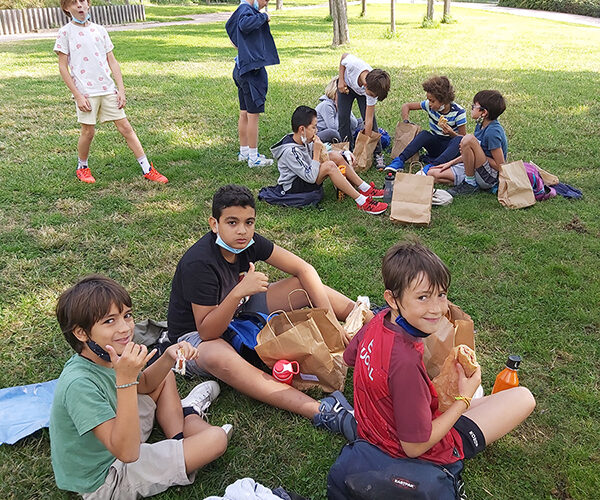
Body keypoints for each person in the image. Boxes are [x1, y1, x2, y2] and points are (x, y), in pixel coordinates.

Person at [328, 242, 536, 499]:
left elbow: (350, 357)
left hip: (374, 428)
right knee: (522, 397)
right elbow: (414, 447)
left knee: (479, 399)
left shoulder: (377, 321)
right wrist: (464, 398)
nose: (437, 308)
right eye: (423, 297)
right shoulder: (405, 362)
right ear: (392, 299)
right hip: (414, 450)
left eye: (441, 294)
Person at [167, 184, 359, 441]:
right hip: (195, 338)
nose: (242, 230)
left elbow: (304, 269)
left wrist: (331, 322)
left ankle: (370, 320)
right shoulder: (199, 263)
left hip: (239, 312)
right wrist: (238, 292)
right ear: (214, 224)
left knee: (300, 285)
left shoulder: (249, 242)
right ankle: (321, 411)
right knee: (218, 356)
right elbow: (207, 331)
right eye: (232, 222)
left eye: (249, 222)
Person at [50, 275, 230, 498]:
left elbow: (143, 385)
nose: (125, 328)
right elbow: (127, 453)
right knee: (216, 439)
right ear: (81, 333)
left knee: (164, 376)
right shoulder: (79, 384)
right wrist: (125, 379)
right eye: (109, 321)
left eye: (127, 315)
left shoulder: (107, 353)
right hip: (106, 477)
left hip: (120, 435)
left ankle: (177, 438)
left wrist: (168, 357)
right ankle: (189, 416)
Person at [54, 0, 168, 184]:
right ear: (66, 8)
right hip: (86, 92)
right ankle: (82, 167)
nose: (79, 5)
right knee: (88, 132)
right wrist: (78, 95)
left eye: (82, 1)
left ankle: (147, 169)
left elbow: (112, 61)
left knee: (126, 128)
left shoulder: (100, 30)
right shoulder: (65, 32)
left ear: (88, 4)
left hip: (107, 89)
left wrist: (120, 90)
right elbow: (62, 67)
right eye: (74, 3)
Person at [270, 106, 388, 215]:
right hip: (294, 187)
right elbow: (310, 177)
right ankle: (361, 201)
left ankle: (365, 188)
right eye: (313, 127)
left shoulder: (303, 139)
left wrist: (343, 153)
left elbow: (325, 153)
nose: (316, 131)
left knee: (334, 156)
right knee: (329, 166)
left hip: (306, 175)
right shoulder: (290, 152)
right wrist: (316, 152)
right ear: (302, 129)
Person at [226, 0, 279, 168]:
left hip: (240, 68)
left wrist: (239, 44)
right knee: (253, 116)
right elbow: (244, 24)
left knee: (244, 113)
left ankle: (244, 152)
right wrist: (264, 17)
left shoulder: (240, 9)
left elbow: (230, 26)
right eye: (265, 0)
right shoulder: (246, 10)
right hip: (251, 72)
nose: (265, 4)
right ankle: (253, 157)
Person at [428, 90, 508, 196]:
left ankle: (470, 183)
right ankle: (470, 180)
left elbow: (501, 166)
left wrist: (477, 152)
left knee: (468, 139)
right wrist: (450, 163)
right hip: (476, 168)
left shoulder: (493, 132)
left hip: (490, 177)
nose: (471, 108)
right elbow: (471, 153)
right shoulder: (480, 125)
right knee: (432, 173)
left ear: (484, 112)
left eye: (474, 106)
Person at [385, 75, 466, 173]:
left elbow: (463, 139)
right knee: (424, 134)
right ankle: (400, 160)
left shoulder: (459, 112)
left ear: (443, 100)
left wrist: (451, 133)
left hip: (450, 148)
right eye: (428, 100)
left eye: (432, 101)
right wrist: (406, 120)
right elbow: (406, 106)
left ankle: (433, 167)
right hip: (436, 145)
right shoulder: (428, 106)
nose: (429, 103)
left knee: (458, 140)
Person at [337, 53, 390, 169]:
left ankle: (378, 154)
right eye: (372, 95)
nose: (372, 97)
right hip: (346, 86)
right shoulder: (354, 65)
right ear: (366, 85)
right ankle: (346, 152)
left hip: (362, 93)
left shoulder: (373, 91)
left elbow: (369, 119)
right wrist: (341, 80)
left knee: (372, 123)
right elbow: (344, 57)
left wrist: (366, 141)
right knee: (343, 118)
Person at [316, 76, 361, 143]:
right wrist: (339, 109)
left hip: (339, 131)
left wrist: (345, 110)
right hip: (321, 133)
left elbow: (355, 124)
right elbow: (334, 128)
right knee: (332, 133)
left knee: (361, 121)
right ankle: (350, 140)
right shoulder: (326, 105)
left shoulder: (343, 103)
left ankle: (354, 139)